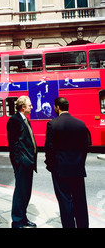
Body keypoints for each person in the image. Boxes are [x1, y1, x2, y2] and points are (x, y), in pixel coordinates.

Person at [45, 97, 90, 228]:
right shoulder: (80, 124)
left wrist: (51, 166)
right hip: (77, 168)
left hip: (61, 170)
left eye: (54, 107)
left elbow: (49, 148)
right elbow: (85, 147)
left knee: (65, 201)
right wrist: (81, 162)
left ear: (57, 107)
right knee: (80, 200)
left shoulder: (52, 124)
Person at [7, 96, 37, 228]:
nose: (32, 107)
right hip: (22, 163)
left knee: (26, 192)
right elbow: (13, 144)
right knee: (20, 192)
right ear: (23, 107)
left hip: (29, 162)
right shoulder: (14, 120)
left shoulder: (25, 120)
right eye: (29, 105)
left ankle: (23, 218)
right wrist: (19, 161)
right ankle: (17, 221)